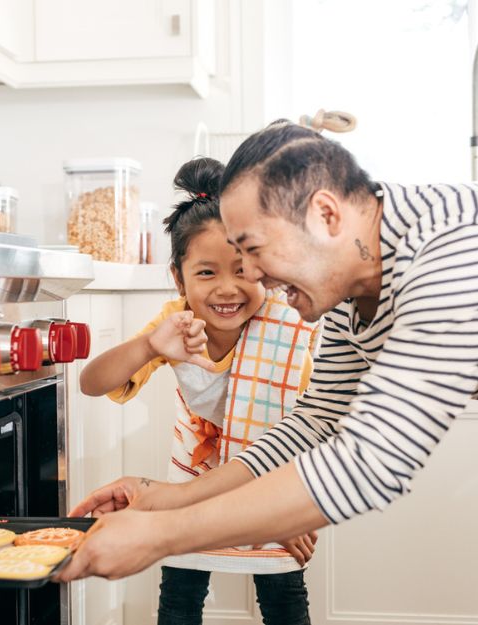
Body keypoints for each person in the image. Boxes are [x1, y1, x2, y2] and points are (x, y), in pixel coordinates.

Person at [61, 122, 478, 625]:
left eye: (253, 249)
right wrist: (165, 498)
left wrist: (161, 537)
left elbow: (372, 463)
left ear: (326, 215)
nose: (251, 273)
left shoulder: (455, 254)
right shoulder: (353, 293)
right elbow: (317, 422)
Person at [77, 155, 318, 625]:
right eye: (207, 272)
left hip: (273, 486)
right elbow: (91, 384)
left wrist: (290, 510)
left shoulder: (287, 327)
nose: (227, 289)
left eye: (244, 270)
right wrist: (150, 345)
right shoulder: (175, 327)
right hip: (188, 485)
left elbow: (308, 424)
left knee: (285, 600)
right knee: (180, 598)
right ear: (178, 279)